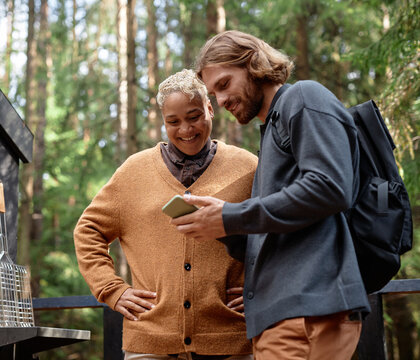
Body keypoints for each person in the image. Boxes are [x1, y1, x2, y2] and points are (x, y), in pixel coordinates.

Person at [170, 31, 371, 359]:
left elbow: (329, 187)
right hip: (283, 318)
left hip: (307, 312)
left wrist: (231, 216)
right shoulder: (273, 132)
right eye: (213, 93)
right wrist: (220, 224)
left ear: (252, 64)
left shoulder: (303, 98)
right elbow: (285, 220)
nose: (220, 101)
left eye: (224, 84)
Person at [73, 69, 258, 360]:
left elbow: (278, 232)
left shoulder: (247, 168)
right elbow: (88, 230)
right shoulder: (134, 172)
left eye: (194, 116)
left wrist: (262, 288)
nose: (185, 129)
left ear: (210, 108)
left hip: (231, 339)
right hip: (149, 342)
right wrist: (111, 289)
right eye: (173, 121)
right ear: (163, 121)